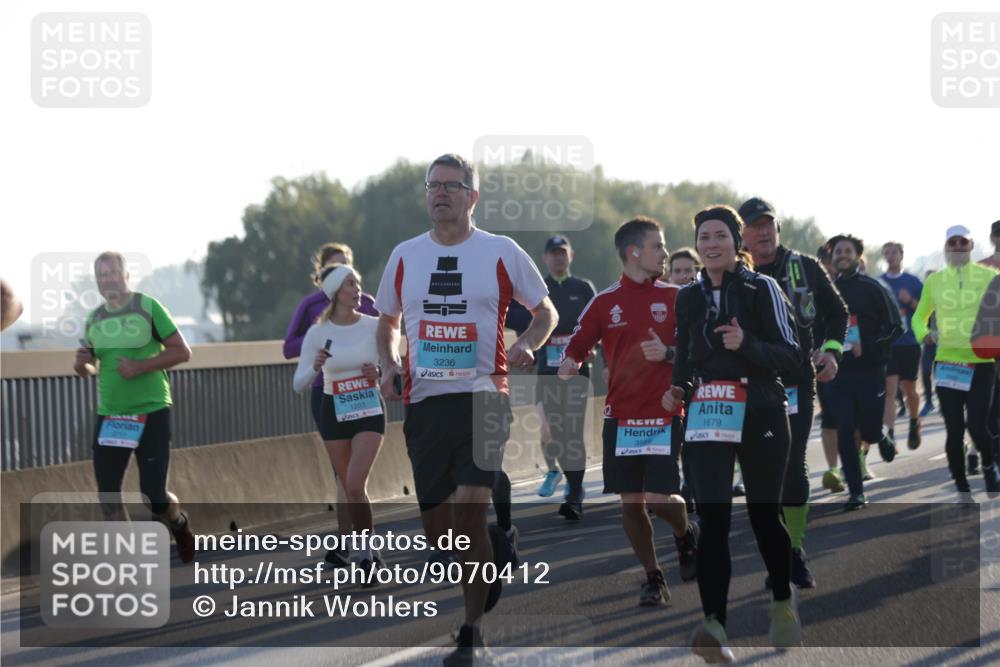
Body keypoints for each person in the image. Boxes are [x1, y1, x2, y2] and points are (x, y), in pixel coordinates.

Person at [374, 154, 557, 665]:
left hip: (484, 393)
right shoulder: (405, 255)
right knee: (443, 533)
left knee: (471, 509)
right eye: (434, 185)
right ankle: (496, 547)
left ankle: (472, 628)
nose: (441, 194)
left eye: (452, 186)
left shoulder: (499, 251)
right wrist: (389, 366)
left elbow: (545, 310)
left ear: (472, 197)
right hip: (425, 402)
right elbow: (386, 322)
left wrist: (530, 343)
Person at [663, 205, 802, 661]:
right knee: (714, 520)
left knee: (764, 516)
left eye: (720, 235)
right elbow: (684, 356)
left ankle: (782, 599)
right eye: (704, 237)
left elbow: (791, 355)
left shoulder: (763, 287)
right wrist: (677, 389)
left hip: (760, 409)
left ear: (736, 241)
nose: (711, 245)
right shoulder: (688, 297)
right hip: (708, 414)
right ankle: (714, 625)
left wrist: (748, 346)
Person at [558, 216, 699, 606]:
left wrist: (670, 359)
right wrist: (571, 361)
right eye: (658, 246)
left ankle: (686, 533)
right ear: (634, 252)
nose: (665, 253)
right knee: (631, 504)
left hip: (664, 412)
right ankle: (654, 577)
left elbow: (697, 352)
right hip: (621, 418)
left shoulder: (677, 298)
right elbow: (580, 340)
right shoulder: (605, 302)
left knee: (657, 499)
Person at [739, 197, 848, 589]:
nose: (764, 231)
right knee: (759, 475)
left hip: (796, 380)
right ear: (743, 234)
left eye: (769, 223)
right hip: (747, 385)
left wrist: (831, 351)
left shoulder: (804, 266)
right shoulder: (733, 274)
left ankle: (795, 551)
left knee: (791, 464)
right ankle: (774, 546)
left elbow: (838, 314)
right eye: (754, 225)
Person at [73, 251, 195, 562]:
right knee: (108, 493)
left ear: (126, 276)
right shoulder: (95, 318)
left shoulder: (148, 307)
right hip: (111, 415)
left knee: (154, 497)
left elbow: (182, 352)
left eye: (113, 273)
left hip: (151, 410)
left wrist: (141, 366)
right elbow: (91, 368)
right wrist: (81, 365)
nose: (107, 279)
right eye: (101, 275)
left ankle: (178, 523)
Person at [284, 242, 378, 567]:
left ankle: (364, 551)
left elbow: (391, 359)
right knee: (346, 482)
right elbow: (294, 368)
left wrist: (378, 372)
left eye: (356, 279)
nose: (358, 288)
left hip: (367, 406)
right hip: (330, 403)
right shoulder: (314, 323)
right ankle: (349, 543)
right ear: (334, 288)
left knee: (354, 482)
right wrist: (316, 365)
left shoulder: (371, 316)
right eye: (350, 282)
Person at [912, 225, 1000, 500]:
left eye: (964, 241)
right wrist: (924, 334)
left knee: (978, 426)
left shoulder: (990, 277)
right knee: (954, 429)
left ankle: (988, 465)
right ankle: (962, 486)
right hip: (947, 363)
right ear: (946, 247)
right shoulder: (935, 282)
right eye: (953, 242)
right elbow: (918, 317)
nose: (959, 246)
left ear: (972, 246)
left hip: (980, 364)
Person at [826, 235, 905, 511]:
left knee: (869, 429)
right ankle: (856, 492)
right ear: (832, 257)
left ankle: (879, 435)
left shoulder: (874, 287)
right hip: (838, 371)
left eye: (848, 251)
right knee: (845, 429)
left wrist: (868, 347)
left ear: (858, 257)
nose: (842, 255)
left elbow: (897, 327)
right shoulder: (826, 290)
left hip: (871, 368)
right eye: (838, 251)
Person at [520, 235, 597, 519]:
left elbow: (597, 324)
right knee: (550, 431)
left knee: (572, 432)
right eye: (553, 253)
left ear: (571, 256)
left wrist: (594, 349)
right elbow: (519, 320)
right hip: (546, 373)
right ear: (545, 259)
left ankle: (575, 492)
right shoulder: (537, 290)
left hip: (576, 371)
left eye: (562, 253)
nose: (558, 258)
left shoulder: (583, 288)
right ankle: (554, 469)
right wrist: (525, 346)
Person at [879, 242, 924, 449]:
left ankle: (914, 422)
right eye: (887, 253)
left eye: (894, 253)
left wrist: (911, 301)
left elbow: (926, 312)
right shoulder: (879, 283)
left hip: (910, 343)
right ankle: (889, 436)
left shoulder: (913, 282)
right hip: (889, 345)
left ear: (901, 255)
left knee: (909, 390)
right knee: (890, 391)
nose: (891, 256)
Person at [814, 244, 845, 492]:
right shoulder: (812, 288)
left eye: (829, 262)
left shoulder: (861, 287)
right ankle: (834, 469)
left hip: (858, 366)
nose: (827, 266)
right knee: (829, 416)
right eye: (823, 261)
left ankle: (857, 462)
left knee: (856, 420)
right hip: (822, 363)